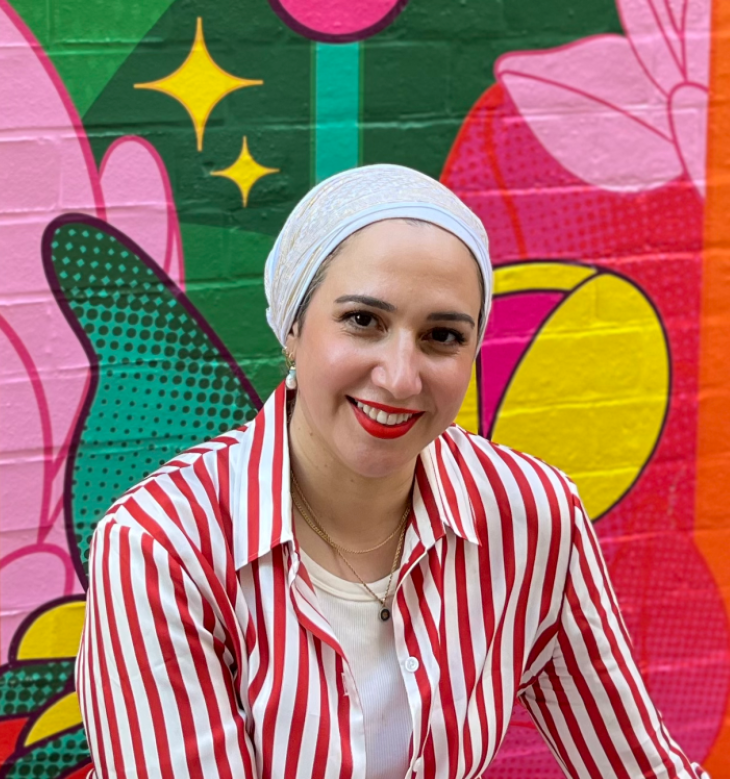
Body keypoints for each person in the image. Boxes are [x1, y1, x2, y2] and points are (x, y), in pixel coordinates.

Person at [76, 164, 707, 778]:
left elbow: (637, 763)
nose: (401, 377)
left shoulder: (528, 515)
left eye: (442, 336)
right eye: (363, 321)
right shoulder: (160, 547)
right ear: (292, 327)